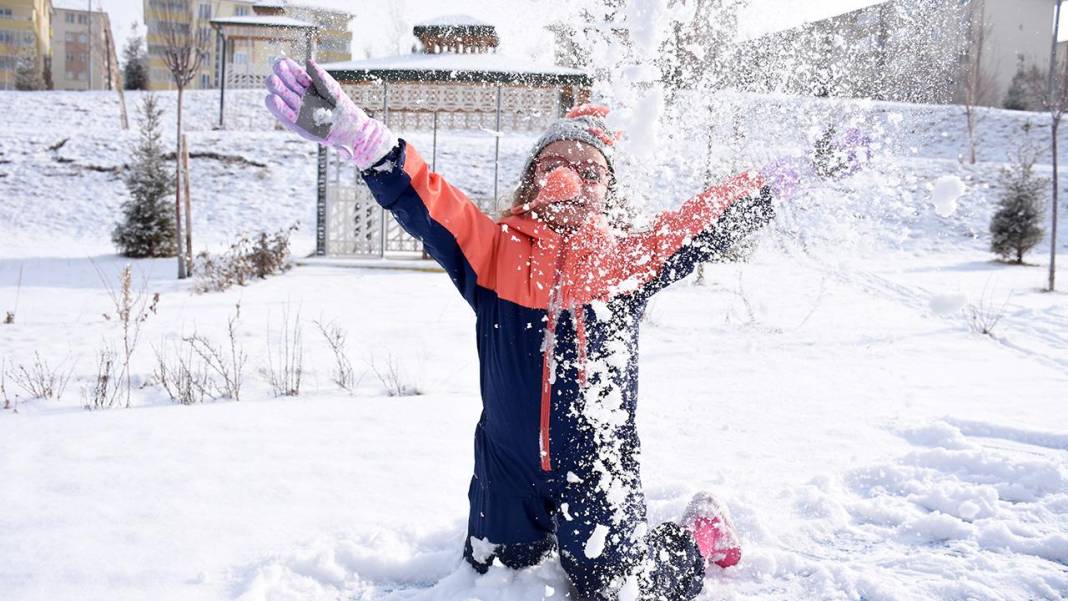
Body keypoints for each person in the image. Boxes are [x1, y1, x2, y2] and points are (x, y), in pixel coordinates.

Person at [266, 58, 800, 600]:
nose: (569, 178)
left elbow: (700, 221)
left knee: (621, 590)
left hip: (599, 472)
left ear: (608, 191)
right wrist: (365, 139)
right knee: (493, 577)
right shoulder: (492, 249)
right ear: (532, 180)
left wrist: (778, 181)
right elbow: (430, 202)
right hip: (507, 469)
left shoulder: (628, 260)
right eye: (554, 165)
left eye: (589, 171)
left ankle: (695, 537)